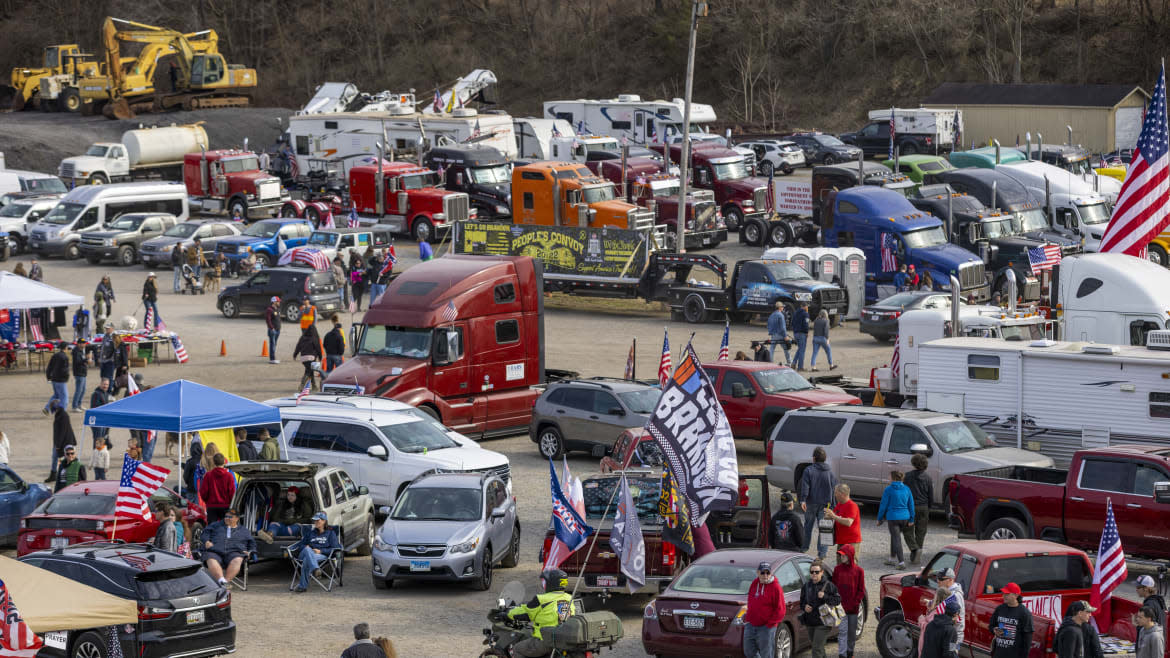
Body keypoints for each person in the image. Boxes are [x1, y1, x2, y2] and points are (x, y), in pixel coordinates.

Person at [503, 569, 576, 657]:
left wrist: (507, 614)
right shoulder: (569, 598)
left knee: (517, 649)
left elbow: (526, 612)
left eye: (546, 582)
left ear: (551, 583)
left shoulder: (541, 599)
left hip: (545, 641)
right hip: (563, 640)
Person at [201, 508, 255, 588]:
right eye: (226, 516)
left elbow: (252, 543)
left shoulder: (244, 530)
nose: (227, 518)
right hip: (215, 551)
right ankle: (222, 582)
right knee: (210, 558)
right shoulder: (215, 525)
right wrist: (206, 541)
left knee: (238, 559)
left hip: (235, 552)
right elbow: (204, 534)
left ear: (237, 518)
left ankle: (225, 582)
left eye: (230, 517)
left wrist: (250, 551)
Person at [799, 447, 839, 557]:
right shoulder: (830, 472)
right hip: (827, 505)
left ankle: (804, 547)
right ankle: (822, 553)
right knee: (825, 528)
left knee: (808, 526)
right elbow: (835, 489)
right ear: (825, 459)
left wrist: (803, 500)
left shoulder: (808, 470)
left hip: (811, 503)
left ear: (814, 458)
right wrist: (835, 505)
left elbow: (805, 487)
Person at [289, 512, 342, 592]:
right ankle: (315, 569)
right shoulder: (310, 533)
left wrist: (321, 551)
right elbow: (301, 544)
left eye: (318, 520)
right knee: (307, 550)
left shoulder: (330, 533)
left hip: (321, 555)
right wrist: (306, 547)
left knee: (307, 561)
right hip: (305, 553)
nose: (315, 522)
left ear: (324, 521)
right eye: (314, 520)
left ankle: (302, 586)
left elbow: (335, 548)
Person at [799, 558, 840, 658]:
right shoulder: (806, 586)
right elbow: (802, 601)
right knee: (819, 647)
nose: (814, 574)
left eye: (817, 572)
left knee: (816, 649)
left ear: (822, 572)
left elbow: (837, 600)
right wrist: (805, 606)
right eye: (812, 572)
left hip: (824, 622)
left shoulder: (829, 585)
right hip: (810, 622)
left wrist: (825, 596)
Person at [743, 561, 785, 658]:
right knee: (748, 652)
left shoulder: (776, 587)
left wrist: (769, 625)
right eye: (762, 573)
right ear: (758, 573)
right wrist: (748, 617)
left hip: (766, 627)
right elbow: (751, 600)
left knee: (766, 654)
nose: (765, 575)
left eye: (768, 573)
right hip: (751, 624)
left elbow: (781, 610)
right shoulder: (754, 583)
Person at [833, 545, 865, 658]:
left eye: (843, 555)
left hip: (853, 608)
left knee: (852, 634)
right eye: (840, 555)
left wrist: (855, 603)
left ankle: (850, 652)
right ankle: (842, 654)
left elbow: (861, 590)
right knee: (842, 632)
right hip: (841, 608)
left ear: (850, 555)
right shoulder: (837, 569)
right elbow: (834, 587)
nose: (841, 557)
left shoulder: (859, 571)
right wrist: (836, 602)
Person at [877, 470, 914, 568]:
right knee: (895, 536)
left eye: (889, 476)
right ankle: (892, 558)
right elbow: (911, 505)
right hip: (905, 517)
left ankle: (901, 562)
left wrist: (879, 518)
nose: (888, 478)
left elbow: (883, 505)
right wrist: (911, 519)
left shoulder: (888, 489)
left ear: (893, 478)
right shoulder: (907, 489)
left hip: (893, 518)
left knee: (896, 538)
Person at [903, 453, 933, 564]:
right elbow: (931, 495)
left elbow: (904, 493)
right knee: (921, 531)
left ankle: (914, 549)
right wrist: (929, 507)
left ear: (913, 463)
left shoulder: (907, 476)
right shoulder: (928, 478)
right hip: (924, 507)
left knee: (907, 530)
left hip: (910, 507)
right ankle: (918, 550)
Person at [989, 582, 1033, 658]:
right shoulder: (1000, 609)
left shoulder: (1024, 613)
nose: (1003, 596)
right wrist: (994, 630)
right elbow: (991, 625)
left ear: (1016, 595)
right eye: (1003, 593)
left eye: (1007, 594)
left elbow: (1027, 640)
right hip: (998, 654)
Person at [198, 453, 237, 524]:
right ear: (224, 462)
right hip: (225, 506)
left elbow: (203, 492)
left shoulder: (208, 475)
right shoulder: (229, 476)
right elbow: (232, 492)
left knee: (212, 529)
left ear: (214, 462)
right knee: (225, 529)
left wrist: (207, 501)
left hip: (211, 506)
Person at [825, 483, 861, 554]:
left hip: (851, 542)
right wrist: (828, 517)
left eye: (836, 493)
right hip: (841, 541)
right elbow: (834, 518)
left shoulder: (852, 505)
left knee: (849, 564)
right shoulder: (839, 505)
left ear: (843, 494)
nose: (835, 495)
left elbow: (848, 522)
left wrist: (833, 516)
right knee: (840, 564)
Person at [937, 568, 966, 651]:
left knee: (951, 654)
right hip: (946, 633)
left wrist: (955, 640)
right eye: (937, 578)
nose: (938, 581)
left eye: (941, 579)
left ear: (950, 579)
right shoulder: (946, 592)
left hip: (954, 636)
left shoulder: (956, 595)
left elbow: (958, 619)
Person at [47, 400, 76, 482]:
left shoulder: (62, 415)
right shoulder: (61, 414)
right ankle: (54, 474)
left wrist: (58, 445)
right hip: (61, 441)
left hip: (63, 442)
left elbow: (62, 431)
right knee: (56, 458)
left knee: (64, 458)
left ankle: (63, 476)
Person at [294, 324, 323, 392]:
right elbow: (318, 348)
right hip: (311, 358)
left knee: (310, 370)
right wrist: (320, 356)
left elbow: (298, 346)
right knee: (308, 371)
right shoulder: (314, 338)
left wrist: (295, 354)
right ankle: (302, 384)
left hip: (303, 358)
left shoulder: (302, 337)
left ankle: (314, 386)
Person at [44, 342, 70, 415]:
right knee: (64, 397)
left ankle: (47, 408)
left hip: (54, 379)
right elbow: (65, 370)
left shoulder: (55, 355)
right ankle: (62, 412)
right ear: (66, 348)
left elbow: (49, 367)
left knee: (56, 395)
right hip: (61, 380)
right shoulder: (65, 357)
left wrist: (48, 377)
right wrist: (66, 377)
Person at [89, 378, 111, 447]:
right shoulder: (96, 394)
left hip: (103, 420)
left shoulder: (106, 394)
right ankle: (96, 454)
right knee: (98, 439)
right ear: (100, 384)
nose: (105, 386)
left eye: (107, 384)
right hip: (97, 420)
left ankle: (99, 453)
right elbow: (94, 407)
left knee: (102, 439)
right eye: (104, 384)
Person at [791, 302, 810, 371]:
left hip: (795, 333)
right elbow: (806, 324)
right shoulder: (805, 314)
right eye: (807, 307)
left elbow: (792, 323)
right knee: (802, 350)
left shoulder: (795, 313)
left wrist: (795, 330)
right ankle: (800, 367)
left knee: (799, 349)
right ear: (805, 307)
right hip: (802, 333)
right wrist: (807, 332)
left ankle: (793, 363)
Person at [70, 341, 88, 412]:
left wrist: (86, 360)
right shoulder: (76, 351)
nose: (84, 344)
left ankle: (79, 404)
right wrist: (86, 360)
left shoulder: (81, 351)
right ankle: (75, 406)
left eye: (84, 343)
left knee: (83, 390)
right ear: (79, 344)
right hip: (79, 373)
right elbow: (78, 362)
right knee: (79, 390)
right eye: (83, 343)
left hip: (83, 373)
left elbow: (81, 360)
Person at [265, 296, 282, 364]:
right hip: (273, 330)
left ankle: (273, 357)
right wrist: (272, 328)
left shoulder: (277, 309)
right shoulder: (269, 310)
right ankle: (272, 359)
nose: (279, 302)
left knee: (275, 344)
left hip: (278, 330)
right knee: (272, 344)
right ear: (274, 302)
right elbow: (268, 320)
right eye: (278, 301)